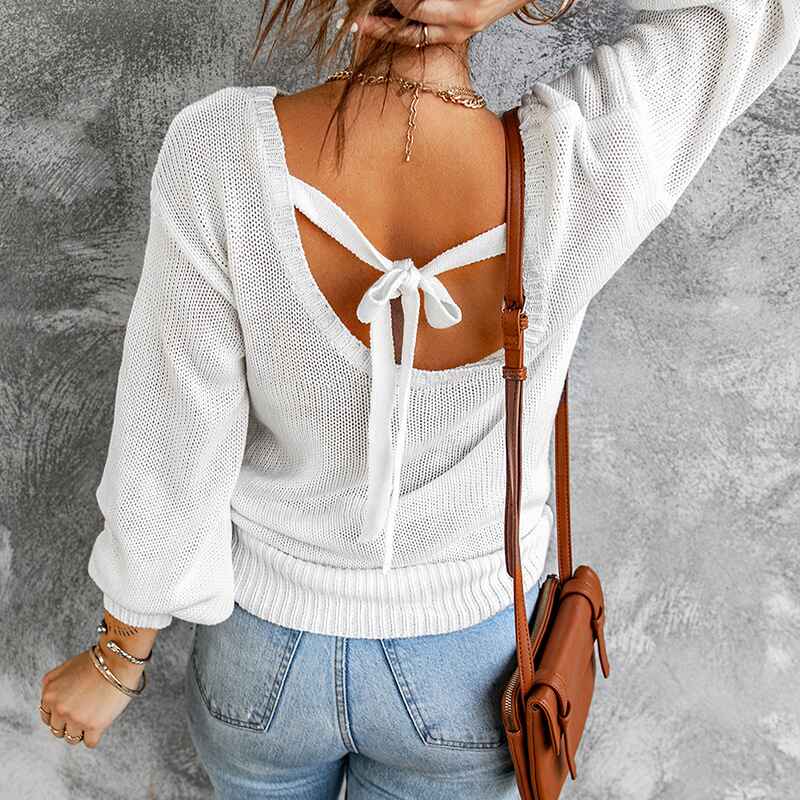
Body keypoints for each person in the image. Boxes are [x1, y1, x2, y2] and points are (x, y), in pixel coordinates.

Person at [38, 0, 799, 797]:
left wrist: (119, 656)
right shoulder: (579, 163)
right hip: (469, 668)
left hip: (262, 658)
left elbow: (172, 437)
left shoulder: (220, 152)